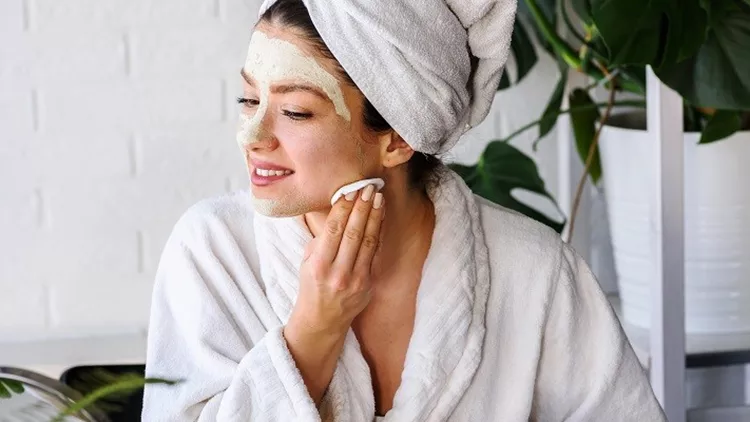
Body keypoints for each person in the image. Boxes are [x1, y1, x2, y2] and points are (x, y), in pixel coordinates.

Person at [141, 0, 666, 420]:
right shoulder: (213, 252)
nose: (251, 137)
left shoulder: (533, 271)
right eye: (249, 100)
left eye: (295, 111)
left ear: (397, 137)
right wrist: (313, 330)